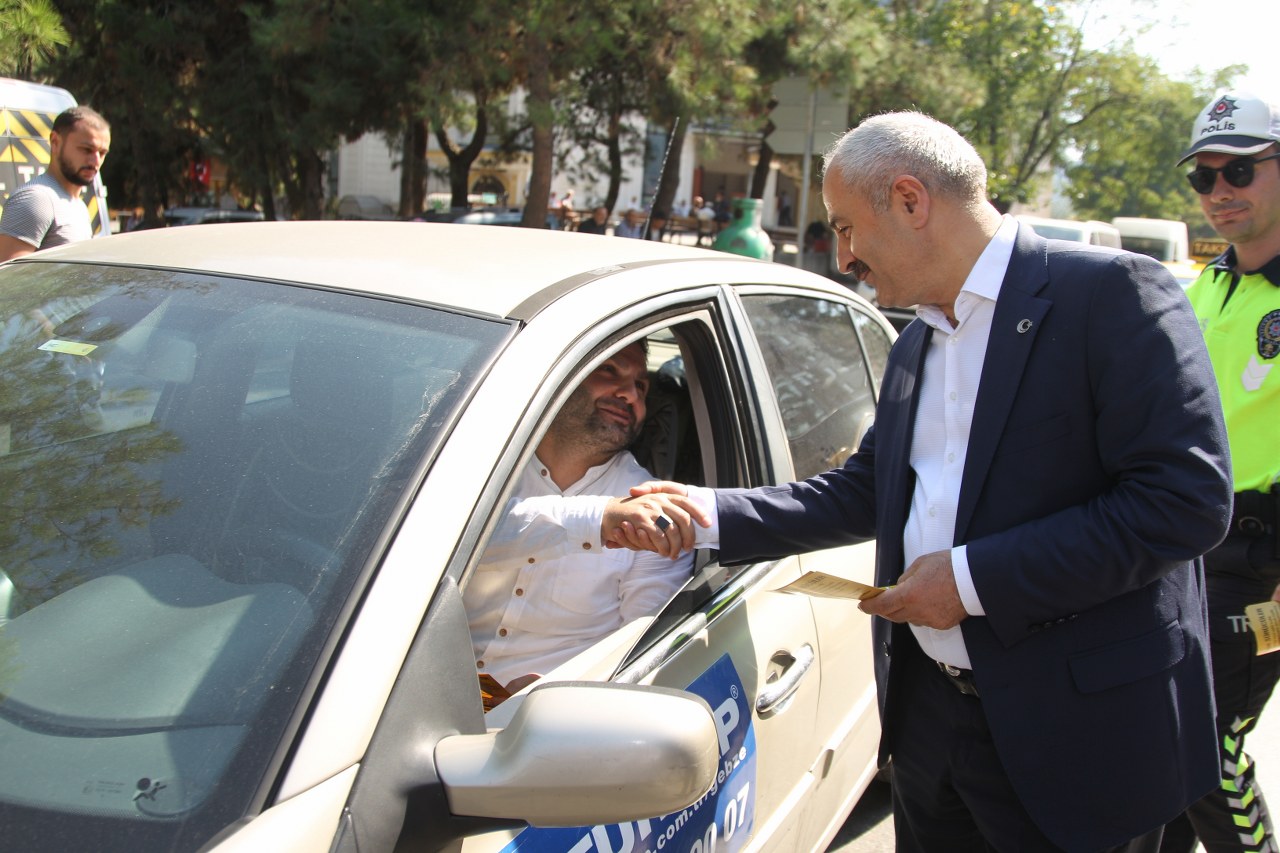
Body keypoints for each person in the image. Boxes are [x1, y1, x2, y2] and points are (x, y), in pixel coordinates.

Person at [601, 111, 1232, 852]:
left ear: (909, 200)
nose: (844, 257)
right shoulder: (915, 344)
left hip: (1076, 738)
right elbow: (867, 490)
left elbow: (1182, 502)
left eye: (845, 227)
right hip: (933, 728)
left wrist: (968, 582)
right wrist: (705, 512)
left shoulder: (1113, 295)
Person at [1159, 90, 1280, 853]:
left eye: (1239, 169)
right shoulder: (1203, 287)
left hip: (1260, 564)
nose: (1219, 191)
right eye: (1204, 177)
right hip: (1179, 550)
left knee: (1207, 743)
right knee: (1161, 743)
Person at [464, 340, 692, 695]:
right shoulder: (479, 462)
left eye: (641, 386)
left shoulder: (653, 511)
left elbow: (641, 646)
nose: (631, 395)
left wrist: (564, 690)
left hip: (547, 712)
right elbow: (446, 542)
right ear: (561, 374)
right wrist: (600, 519)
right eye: (609, 370)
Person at [0, 106, 110, 261]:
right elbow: (8, 274)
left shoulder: (79, 206)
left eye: (102, 153)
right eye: (86, 149)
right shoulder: (36, 199)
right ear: (55, 142)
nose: (96, 161)